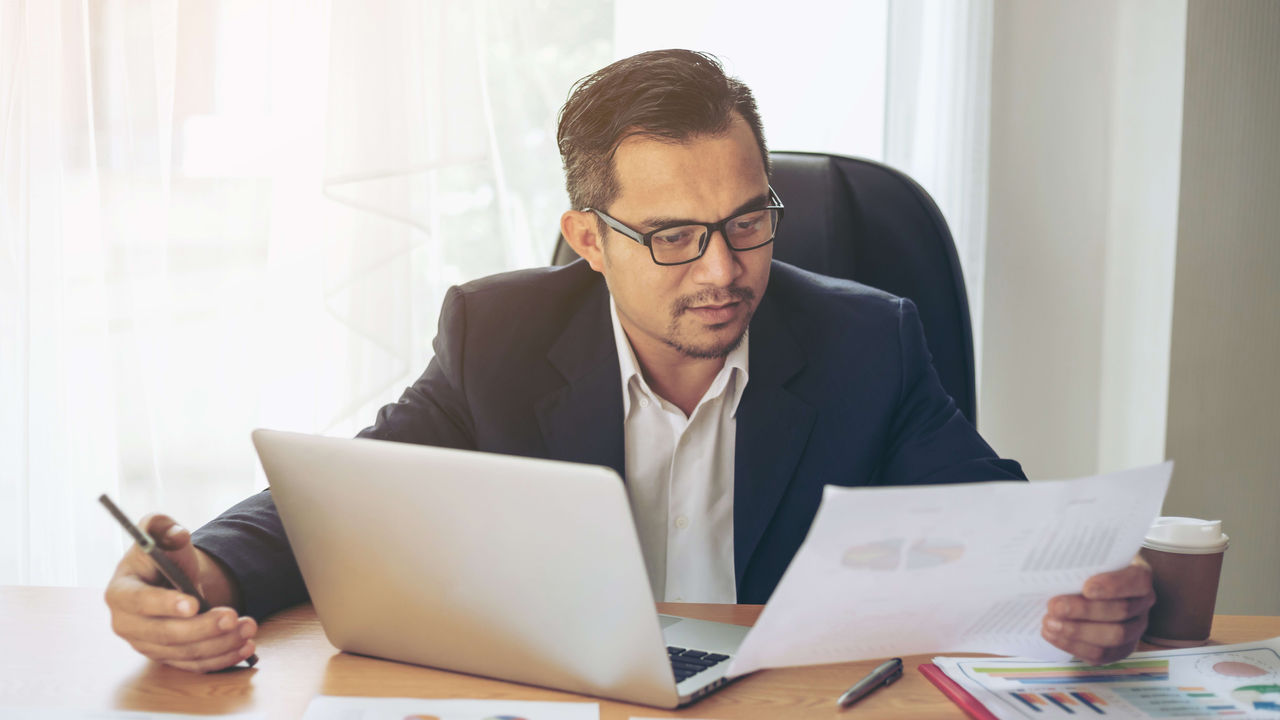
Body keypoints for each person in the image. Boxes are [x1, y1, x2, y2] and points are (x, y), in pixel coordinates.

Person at [104, 49, 1155, 674]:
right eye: (670, 236)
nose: (722, 271)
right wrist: (209, 566)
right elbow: (351, 497)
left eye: (749, 222)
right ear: (587, 238)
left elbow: (995, 525)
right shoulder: (496, 336)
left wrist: (1085, 586)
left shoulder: (863, 339)